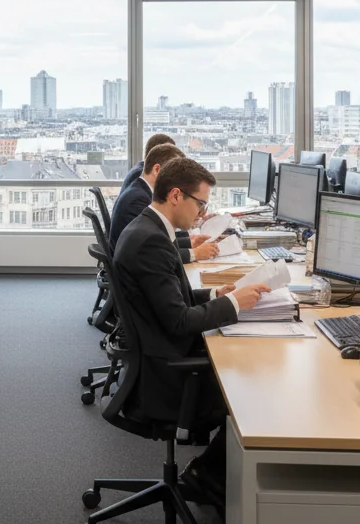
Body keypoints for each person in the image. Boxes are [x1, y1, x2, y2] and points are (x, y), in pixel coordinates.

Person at [111, 158, 270, 502]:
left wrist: (218, 294)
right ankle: (207, 478)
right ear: (175, 195)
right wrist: (235, 305)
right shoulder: (150, 241)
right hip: (168, 373)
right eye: (200, 204)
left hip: (161, 353)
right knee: (256, 388)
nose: (202, 213)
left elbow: (171, 300)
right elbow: (179, 321)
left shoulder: (149, 229)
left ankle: (209, 475)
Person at [109, 144, 219, 262]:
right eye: (173, 172)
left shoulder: (141, 191)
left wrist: (189, 241)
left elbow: (161, 239)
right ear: (157, 170)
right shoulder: (137, 199)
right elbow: (154, 250)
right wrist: (194, 254)